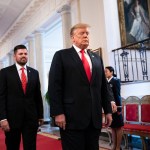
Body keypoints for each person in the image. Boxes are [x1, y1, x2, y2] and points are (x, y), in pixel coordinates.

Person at [48, 23, 115, 150]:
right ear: (72, 38)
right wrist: (58, 112)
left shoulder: (96, 58)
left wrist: (108, 111)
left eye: (87, 33)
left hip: (94, 117)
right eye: (81, 33)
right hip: (71, 117)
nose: (85, 36)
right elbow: (54, 86)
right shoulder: (61, 56)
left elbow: (103, 87)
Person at [0, 45, 44, 150]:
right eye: (20, 54)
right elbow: (1, 96)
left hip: (31, 118)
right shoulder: (5, 72)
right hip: (11, 119)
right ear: (15, 56)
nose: (23, 56)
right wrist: (2, 118)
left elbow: (37, 95)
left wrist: (40, 115)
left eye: (25, 53)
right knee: (12, 146)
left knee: (30, 146)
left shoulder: (34, 73)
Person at [105, 66, 124, 150]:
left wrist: (119, 108)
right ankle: (114, 146)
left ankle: (118, 147)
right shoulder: (105, 82)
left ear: (111, 72)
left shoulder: (115, 80)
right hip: (109, 108)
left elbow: (117, 95)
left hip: (116, 107)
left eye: (106, 71)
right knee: (112, 127)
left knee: (118, 127)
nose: (105, 73)